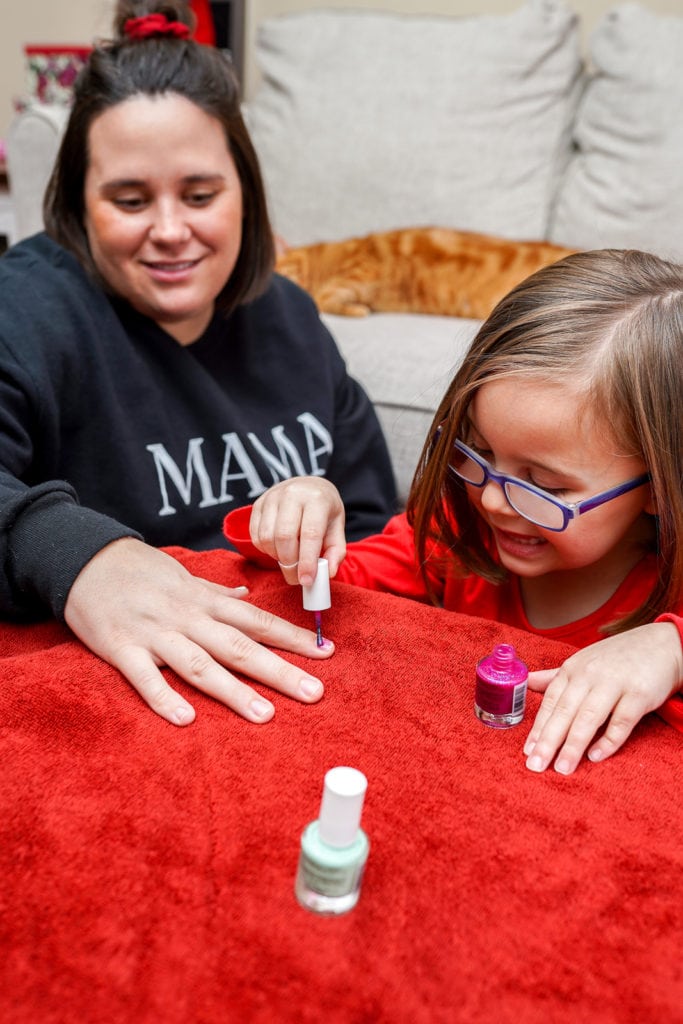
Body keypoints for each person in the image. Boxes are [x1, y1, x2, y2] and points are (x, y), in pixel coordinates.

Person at [0, 0, 397, 726]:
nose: (171, 232)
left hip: (294, 683)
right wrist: (84, 556)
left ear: (245, 193)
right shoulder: (25, 309)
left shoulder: (291, 317)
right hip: (118, 698)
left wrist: (327, 519)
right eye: (128, 199)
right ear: (77, 208)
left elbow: (381, 529)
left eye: (201, 194)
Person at [234, 248, 683, 775]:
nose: (492, 501)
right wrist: (297, 522)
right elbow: (322, 585)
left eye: (544, 485)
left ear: (659, 486)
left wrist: (671, 652)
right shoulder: (455, 537)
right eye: (479, 454)